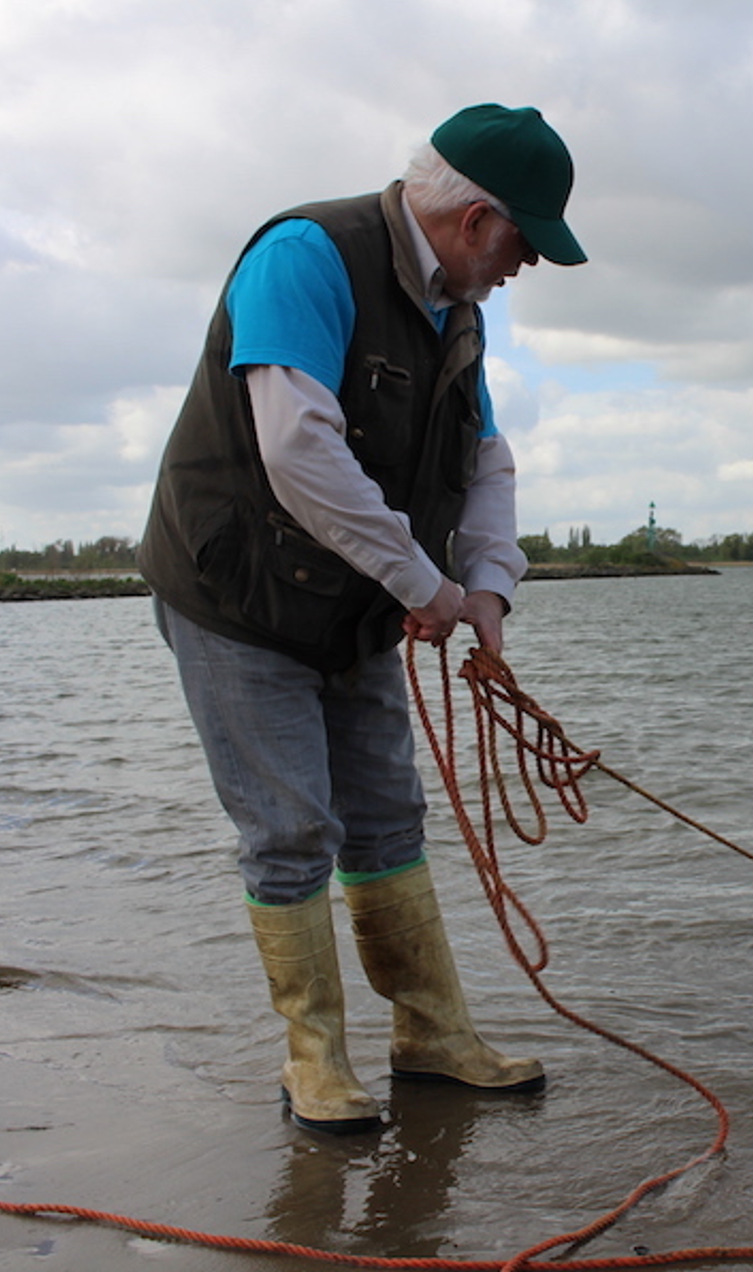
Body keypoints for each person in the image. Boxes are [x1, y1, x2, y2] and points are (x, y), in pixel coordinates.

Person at [138, 104, 586, 1134]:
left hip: (356, 602)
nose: (528, 267)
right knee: (291, 828)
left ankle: (432, 1038)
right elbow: (297, 449)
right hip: (237, 598)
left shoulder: (459, 311)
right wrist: (423, 586)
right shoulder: (306, 257)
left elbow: (485, 461)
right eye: (527, 243)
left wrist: (485, 585)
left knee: (387, 819)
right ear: (477, 218)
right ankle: (317, 1064)